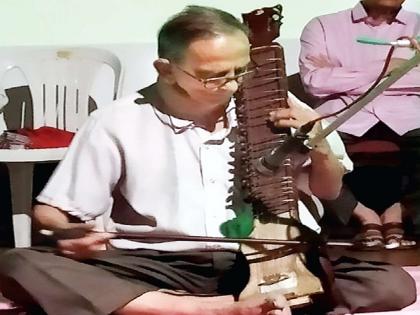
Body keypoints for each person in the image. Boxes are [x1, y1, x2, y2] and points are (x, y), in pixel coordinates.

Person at [0, 5, 415, 315]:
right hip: (161, 264)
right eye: (214, 76)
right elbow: (52, 212)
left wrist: (320, 144)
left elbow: (329, 191)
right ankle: (210, 309)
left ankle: (169, 306)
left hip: (274, 255)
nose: (233, 85)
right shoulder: (117, 120)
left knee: (392, 284)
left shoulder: (276, 106)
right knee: (18, 263)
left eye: (240, 70)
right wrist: (69, 231)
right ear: (165, 69)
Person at [299, 0, 420, 249]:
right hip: (342, 116)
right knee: (301, 152)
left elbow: (327, 79)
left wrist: (345, 75)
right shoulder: (322, 26)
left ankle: (399, 212)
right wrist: (388, 69)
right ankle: (363, 215)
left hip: (409, 115)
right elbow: (315, 82)